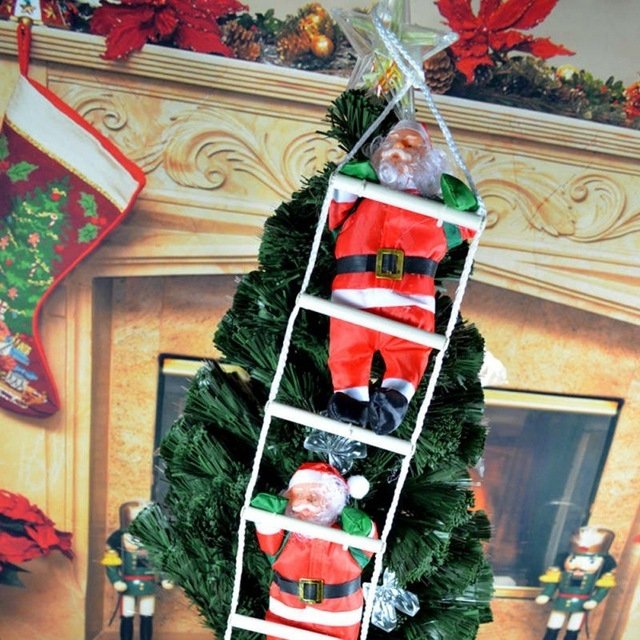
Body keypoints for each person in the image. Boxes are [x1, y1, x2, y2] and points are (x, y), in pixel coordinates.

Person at [326, 119, 478, 435]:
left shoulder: (436, 214)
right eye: (391, 142)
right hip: (354, 295)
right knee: (346, 349)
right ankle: (349, 399)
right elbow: (341, 190)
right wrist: (361, 174)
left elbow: (467, 222)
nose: (398, 150)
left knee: (411, 350)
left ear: (429, 161)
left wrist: (458, 197)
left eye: (410, 145)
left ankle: (396, 396)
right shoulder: (361, 196)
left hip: (409, 302)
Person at [251, 462, 375, 640]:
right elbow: (266, 529)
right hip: (286, 613)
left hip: (337, 619)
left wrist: (361, 526)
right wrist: (269, 510)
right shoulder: (285, 535)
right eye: (298, 495)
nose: (305, 503)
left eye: (314, 496)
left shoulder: (345, 537)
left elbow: (368, 543)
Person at [101, 500, 174, 640]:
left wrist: (165, 578)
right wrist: (116, 580)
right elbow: (110, 563)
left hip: (148, 585)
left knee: (147, 614)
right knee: (127, 615)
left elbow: (162, 561)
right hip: (127, 584)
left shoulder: (155, 538)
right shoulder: (117, 539)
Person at [536, 526, 616, 640]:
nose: (579, 566)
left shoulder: (599, 576)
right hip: (561, 601)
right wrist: (546, 594)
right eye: (573, 559)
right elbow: (552, 584)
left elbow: (602, 589)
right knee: (553, 624)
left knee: (573, 628)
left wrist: (594, 600)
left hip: (581, 604)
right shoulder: (561, 572)